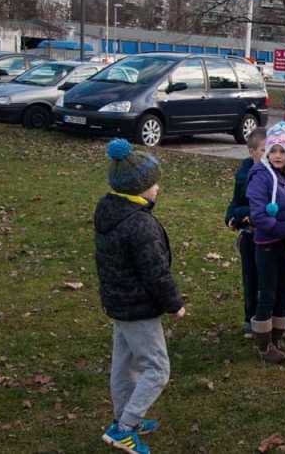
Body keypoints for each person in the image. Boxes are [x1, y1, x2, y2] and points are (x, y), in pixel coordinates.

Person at [94, 139, 185, 454]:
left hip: (117, 302)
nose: (158, 187)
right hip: (137, 307)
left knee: (125, 364)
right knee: (157, 368)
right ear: (139, 188)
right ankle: (125, 429)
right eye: (153, 183)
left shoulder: (109, 209)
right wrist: (175, 304)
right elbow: (155, 272)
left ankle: (123, 416)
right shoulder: (141, 224)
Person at [246, 122, 285, 364]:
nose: (276, 155)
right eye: (272, 150)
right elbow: (259, 215)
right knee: (268, 292)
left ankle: (277, 338)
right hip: (268, 243)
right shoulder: (260, 177)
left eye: (282, 151)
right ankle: (264, 344)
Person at [225, 127, 268, 339]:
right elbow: (236, 203)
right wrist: (231, 216)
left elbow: (263, 208)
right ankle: (250, 317)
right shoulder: (243, 174)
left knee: (270, 278)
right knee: (250, 278)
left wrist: (246, 213)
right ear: (252, 152)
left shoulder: (274, 175)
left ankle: (280, 316)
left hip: (268, 235)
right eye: (264, 150)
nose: (269, 155)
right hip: (249, 235)